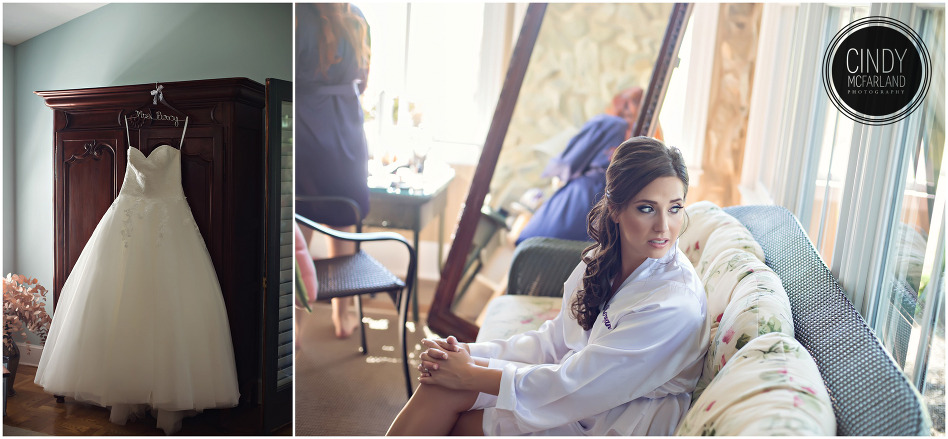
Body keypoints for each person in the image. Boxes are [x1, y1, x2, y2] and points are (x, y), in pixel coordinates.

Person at [387, 137, 709, 436]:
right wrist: (465, 354)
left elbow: (581, 385)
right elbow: (554, 343)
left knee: (457, 412)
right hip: (575, 398)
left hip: (618, 422)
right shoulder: (603, 259)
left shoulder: (673, 303)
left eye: (675, 208)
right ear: (615, 208)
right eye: (647, 208)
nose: (664, 227)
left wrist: (471, 374)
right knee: (443, 384)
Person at [295, 2, 371, 338]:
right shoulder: (357, 16)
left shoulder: (296, 15)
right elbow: (364, 78)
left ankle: (295, 322)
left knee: (300, 224)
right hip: (345, 124)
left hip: (304, 121)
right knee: (343, 218)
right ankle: (343, 315)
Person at [516, 87, 663, 245]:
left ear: (619, 103)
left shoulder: (608, 123)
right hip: (607, 212)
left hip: (580, 199)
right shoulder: (644, 141)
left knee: (532, 245)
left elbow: (568, 162)